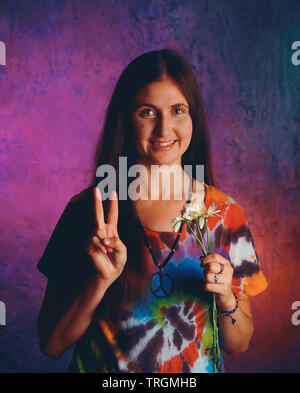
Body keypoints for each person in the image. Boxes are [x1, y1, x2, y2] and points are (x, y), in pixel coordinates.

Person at [37, 49, 268, 373]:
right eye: (147, 112)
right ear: (126, 119)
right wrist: (99, 282)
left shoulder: (226, 214)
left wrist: (226, 298)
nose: (164, 129)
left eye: (177, 110)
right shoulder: (87, 213)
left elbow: (239, 343)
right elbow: (51, 343)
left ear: (193, 119)